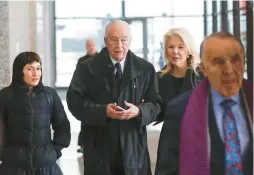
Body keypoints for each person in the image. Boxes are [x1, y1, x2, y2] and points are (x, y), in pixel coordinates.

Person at [67, 20, 161, 175]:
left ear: (130, 41)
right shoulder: (86, 68)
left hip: (132, 144)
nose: (119, 45)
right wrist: (103, 111)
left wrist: (138, 111)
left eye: (124, 39)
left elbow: (156, 104)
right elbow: (74, 102)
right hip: (98, 143)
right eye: (114, 39)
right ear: (105, 41)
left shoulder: (145, 69)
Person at [155, 32, 253, 175]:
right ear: (204, 67)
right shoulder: (179, 110)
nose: (228, 69)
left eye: (235, 59)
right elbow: (167, 168)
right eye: (218, 61)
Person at [0, 52, 71, 175]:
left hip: (46, 166)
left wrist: (54, 151)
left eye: (38, 68)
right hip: (14, 167)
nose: (36, 73)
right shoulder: (5, 96)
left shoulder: (49, 94)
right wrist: (4, 154)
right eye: (30, 69)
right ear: (19, 71)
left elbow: (62, 125)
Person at [155, 28, 203, 124]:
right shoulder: (159, 78)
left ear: (189, 50)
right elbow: (156, 109)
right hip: (171, 135)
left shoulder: (202, 75)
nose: (175, 51)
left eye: (181, 47)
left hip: (198, 133)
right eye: (171, 47)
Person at [76, 39, 97, 153]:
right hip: (86, 93)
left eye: (93, 45)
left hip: (97, 93)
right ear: (86, 47)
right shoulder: (81, 61)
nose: (91, 47)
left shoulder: (102, 58)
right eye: (89, 45)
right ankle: (83, 144)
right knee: (85, 120)